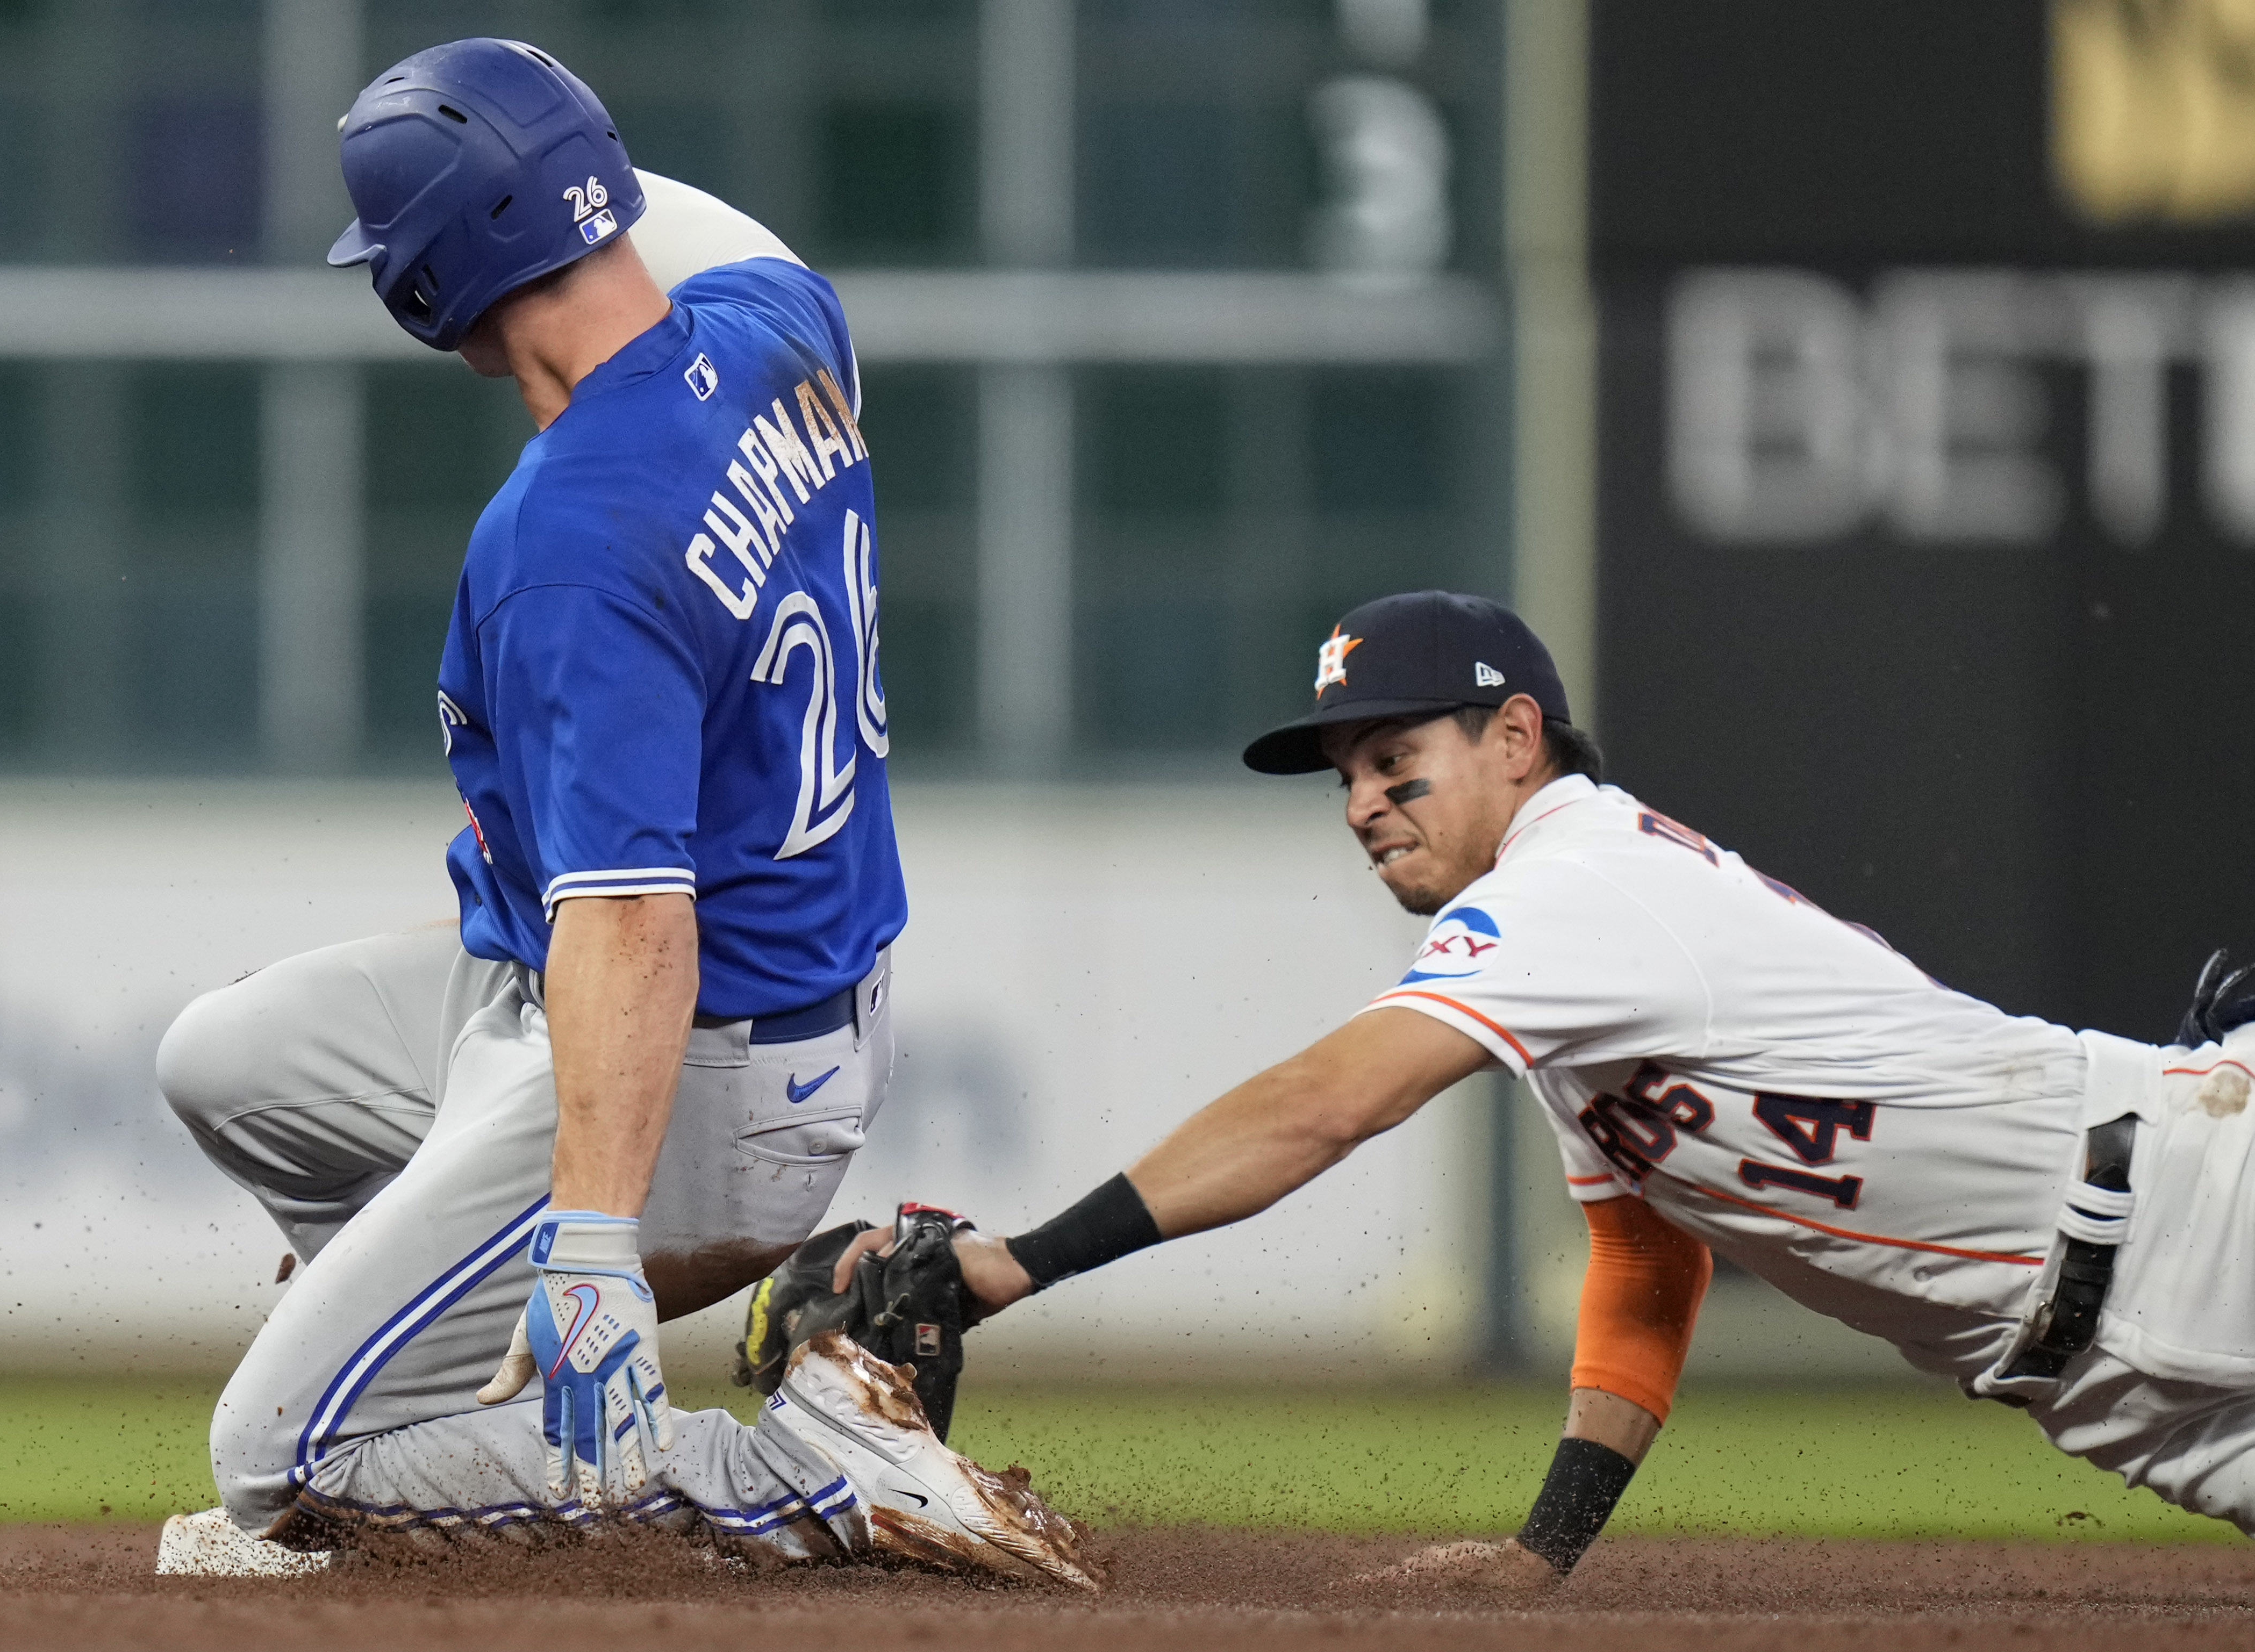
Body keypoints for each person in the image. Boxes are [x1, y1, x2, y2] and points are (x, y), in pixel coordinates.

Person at [151, 38, 1092, 1590]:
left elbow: (638, 922)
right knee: (224, 1060)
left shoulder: (572, 540)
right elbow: (654, 223)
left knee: (274, 1465)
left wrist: (590, 1245)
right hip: (694, 1001)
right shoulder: (779, 319)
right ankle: (431, 1359)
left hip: (695, 1061)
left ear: (427, 286)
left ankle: (802, 1465)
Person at [842, 586, 2255, 1590]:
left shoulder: (1574, 889)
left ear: (1516, 739)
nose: (1361, 804)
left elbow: (1328, 1100)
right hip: (2104, 1384)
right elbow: (1649, 1259)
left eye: (1397, 759)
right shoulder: (1569, 956)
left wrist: (1013, 1262)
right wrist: (1547, 1548)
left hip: (2190, 1222)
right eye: (1345, 777)